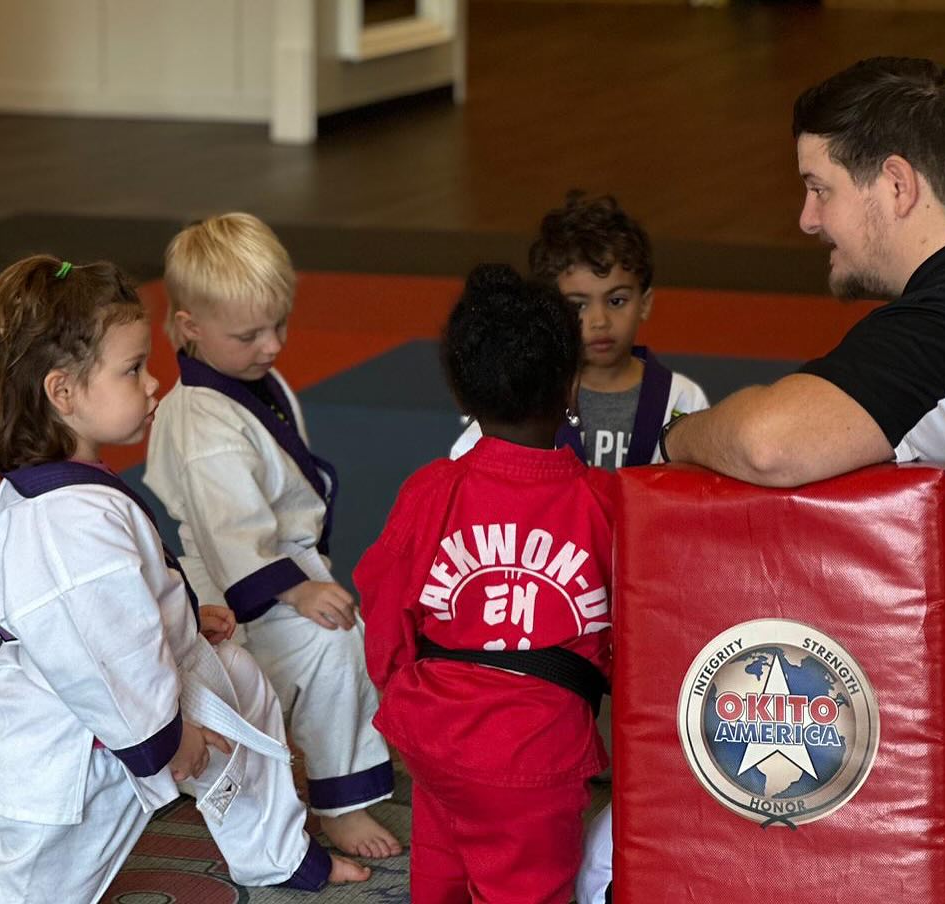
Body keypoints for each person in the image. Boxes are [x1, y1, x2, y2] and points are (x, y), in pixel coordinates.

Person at [657, 57, 945, 904]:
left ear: (896, 183)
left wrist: (676, 436)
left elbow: (773, 443)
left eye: (820, 188)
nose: (808, 219)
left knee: (751, 806)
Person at [0, 255, 369, 904]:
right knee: (20, 897)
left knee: (244, 691)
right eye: (133, 370)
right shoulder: (62, 525)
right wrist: (162, 744)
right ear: (64, 393)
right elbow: (96, 653)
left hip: (146, 690)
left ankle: (275, 855)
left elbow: (129, 595)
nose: (155, 382)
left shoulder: (72, 491)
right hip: (78, 748)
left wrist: (186, 618)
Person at [356, 264, 615, 904]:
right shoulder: (604, 505)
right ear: (572, 387)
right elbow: (640, 636)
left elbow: (385, 610)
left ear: (462, 398)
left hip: (435, 734)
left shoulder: (431, 490)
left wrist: (407, 690)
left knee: (440, 868)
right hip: (537, 754)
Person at [143, 213, 400, 859]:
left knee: (334, 650)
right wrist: (296, 591)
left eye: (279, 325)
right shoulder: (202, 422)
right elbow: (229, 532)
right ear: (188, 326)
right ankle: (314, 801)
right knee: (322, 654)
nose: (272, 345)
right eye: (250, 333)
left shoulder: (250, 381)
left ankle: (319, 781)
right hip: (232, 592)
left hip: (277, 567)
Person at [451, 191, 708, 469]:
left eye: (616, 300)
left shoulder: (681, 397)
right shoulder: (527, 395)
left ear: (644, 304)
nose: (600, 320)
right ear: (551, 311)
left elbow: (704, 489)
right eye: (577, 306)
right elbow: (470, 468)